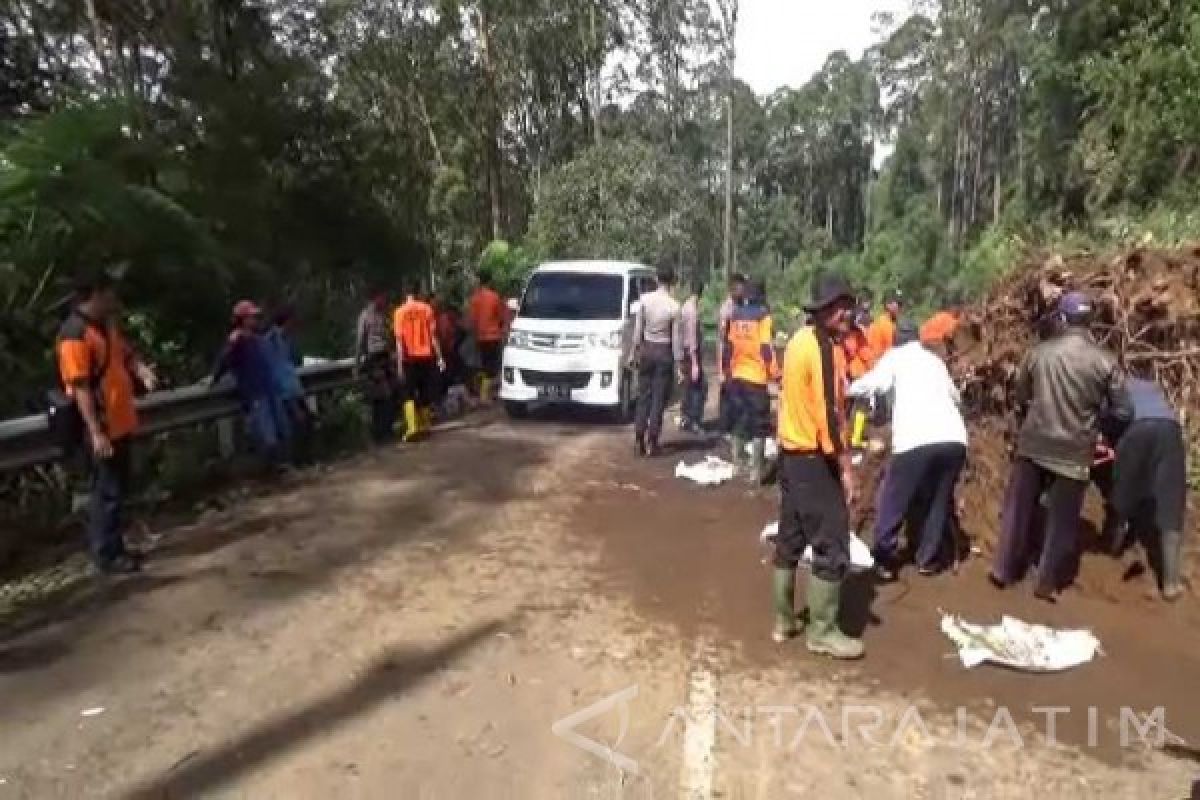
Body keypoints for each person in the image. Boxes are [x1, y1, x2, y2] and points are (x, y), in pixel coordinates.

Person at [989, 291, 1133, 602]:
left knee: (1018, 511)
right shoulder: (1105, 361)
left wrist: (1030, 418)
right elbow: (1124, 411)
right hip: (1075, 452)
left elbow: (1021, 395)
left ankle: (1003, 570)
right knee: (1062, 521)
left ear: (1063, 319)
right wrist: (1099, 430)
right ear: (1089, 322)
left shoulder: (1039, 353)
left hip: (1034, 442)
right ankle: (1046, 583)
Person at [773, 272, 863, 659]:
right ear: (823, 310)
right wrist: (845, 467)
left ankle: (784, 620)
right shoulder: (823, 350)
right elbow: (828, 414)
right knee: (832, 541)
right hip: (811, 458)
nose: (846, 314)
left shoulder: (798, 341)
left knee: (791, 537)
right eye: (838, 307)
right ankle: (822, 632)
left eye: (848, 306)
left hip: (791, 457)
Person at [850, 319, 968, 579]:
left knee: (894, 497)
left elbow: (875, 384)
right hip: (954, 439)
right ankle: (927, 559)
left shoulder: (895, 358)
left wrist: (845, 388)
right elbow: (956, 397)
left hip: (915, 439)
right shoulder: (934, 362)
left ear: (896, 340)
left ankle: (884, 559)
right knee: (938, 499)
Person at [56, 273, 153, 574]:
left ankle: (117, 549)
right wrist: (96, 432)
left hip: (120, 421)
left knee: (118, 489)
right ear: (95, 294)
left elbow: (125, 354)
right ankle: (105, 556)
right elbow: (80, 386)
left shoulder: (105, 327)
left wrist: (142, 371)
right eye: (109, 293)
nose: (113, 298)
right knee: (106, 491)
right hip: (99, 426)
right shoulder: (74, 334)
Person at [1093, 376, 1187, 601]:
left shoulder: (1111, 389)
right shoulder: (1152, 387)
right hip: (1171, 431)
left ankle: (1112, 548)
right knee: (1170, 503)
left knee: (1123, 493)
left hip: (1137, 429)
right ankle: (1172, 584)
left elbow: (1111, 421)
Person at [213, 300, 292, 466]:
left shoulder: (258, 340)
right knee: (267, 435)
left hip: (270, 390)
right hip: (256, 393)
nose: (256, 320)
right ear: (242, 319)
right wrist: (215, 379)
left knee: (282, 430)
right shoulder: (237, 341)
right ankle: (269, 469)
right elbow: (224, 362)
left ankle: (280, 466)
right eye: (252, 317)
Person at [724, 280, 776, 483]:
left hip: (737, 375)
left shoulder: (735, 314)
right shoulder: (763, 317)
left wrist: (726, 370)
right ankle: (756, 471)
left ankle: (737, 464)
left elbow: (728, 346)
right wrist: (775, 373)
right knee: (760, 423)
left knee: (739, 419)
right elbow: (765, 348)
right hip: (756, 377)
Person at [630, 262, 685, 457]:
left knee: (643, 396)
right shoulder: (674, 307)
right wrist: (679, 366)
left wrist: (633, 353)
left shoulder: (644, 301)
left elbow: (637, 332)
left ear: (656, 279)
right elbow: (677, 340)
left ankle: (639, 438)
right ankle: (653, 440)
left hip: (646, 350)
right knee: (658, 398)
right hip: (663, 353)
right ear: (671, 281)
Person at [394, 284, 445, 441]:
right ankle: (425, 426)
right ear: (418, 293)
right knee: (424, 391)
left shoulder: (399, 312)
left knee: (408, 393)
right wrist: (440, 357)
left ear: (405, 294)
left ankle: (413, 428)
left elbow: (399, 341)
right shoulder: (427, 309)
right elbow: (433, 336)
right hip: (426, 356)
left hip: (409, 358)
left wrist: (400, 364)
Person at [264, 306, 310, 460]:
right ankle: (290, 462)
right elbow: (276, 372)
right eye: (292, 321)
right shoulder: (271, 340)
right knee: (289, 428)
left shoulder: (287, 340)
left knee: (303, 423)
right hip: (284, 392)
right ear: (287, 321)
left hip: (293, 389)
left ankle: (300, 460)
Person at [355, 288, 397, 443]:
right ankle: (380, 432)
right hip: (374, 358)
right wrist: (357, 364)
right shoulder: (365, 316)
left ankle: (386, 429)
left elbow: (389, 336)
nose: (385, 301)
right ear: (375, 298)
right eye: (382, 298)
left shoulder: (383, 315)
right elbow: (360, 342)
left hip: (385, 357)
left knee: (389, 393)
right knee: (381, 395)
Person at [468, 269, 507, 404]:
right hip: (493, 336)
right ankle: (484, 396)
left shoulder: (474, 298)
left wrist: (474, 337)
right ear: (490, 281)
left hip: (480, 337)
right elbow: (501, 317)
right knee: (491, 367)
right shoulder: (494, 297)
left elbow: (472, 320)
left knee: (484, 365)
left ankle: (483, 393)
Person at [716, 273, 748, 434]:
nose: (743, 292)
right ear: (733, 289)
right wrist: (720, 369)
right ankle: (725, 429)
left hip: (741, 357)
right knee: (729, 393)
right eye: (741, 288)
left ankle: (736, 428)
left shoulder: (743, 305)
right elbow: (721, 341)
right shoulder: (726, 310)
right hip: (729, 355)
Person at [679, 275, 706, 434]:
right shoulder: (692, 311)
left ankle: (686, 418)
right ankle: (694, 421)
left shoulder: (685, 307)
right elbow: (692, 338)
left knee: (688, 387)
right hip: (692, 354)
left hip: (686, 354)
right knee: (699, 388)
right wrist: (696, 362)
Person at [867, 289, 903, 357]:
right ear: (887, 304)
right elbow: (875, 353)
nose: (900, 307)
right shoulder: (879, 325)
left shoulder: (898, 323)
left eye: (901, 304)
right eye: (898, 303)